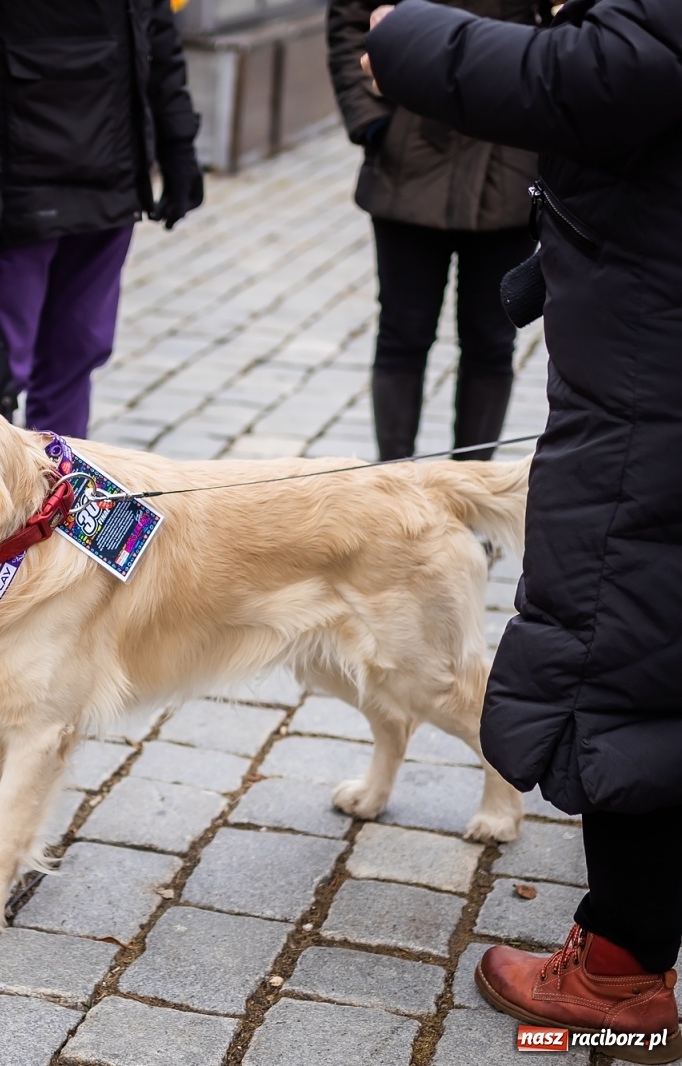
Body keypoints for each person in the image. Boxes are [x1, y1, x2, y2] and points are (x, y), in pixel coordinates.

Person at [365, 2, 682, 1057]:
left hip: (647, 399)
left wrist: (402, 33)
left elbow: (612, 69)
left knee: (628, 657)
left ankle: (620, 977)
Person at [0, 0, 203, 439]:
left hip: (111, 176)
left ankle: (62, 477)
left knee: (78, 350)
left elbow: (156, 34)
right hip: (18, 182)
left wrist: (178, 144)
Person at [329, 0, 541, 463]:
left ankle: (470, 488)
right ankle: (394, 487)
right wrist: (373, 122)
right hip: (409, 153)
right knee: (402, 333)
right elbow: (349, 21)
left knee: (491, 340)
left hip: (512, 151)